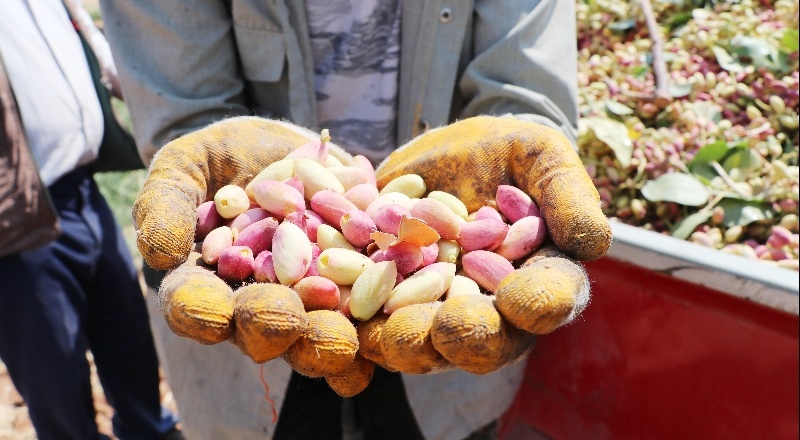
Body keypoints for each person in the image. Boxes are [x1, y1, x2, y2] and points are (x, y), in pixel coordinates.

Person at [98, 1, 602, 440]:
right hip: (250, 350)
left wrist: (516, 144)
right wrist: (217, 154)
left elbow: (525, 90)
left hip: (446, 358)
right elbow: (182, 103)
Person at [0, 1, 184, 439]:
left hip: (83, 191)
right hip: (18, 222)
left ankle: (150, 430)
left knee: (128, 339)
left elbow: (87, 44)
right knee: (55, 375)